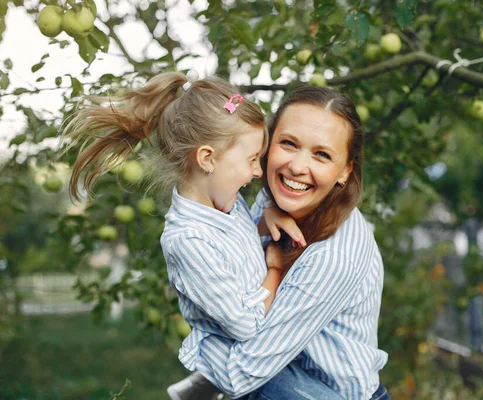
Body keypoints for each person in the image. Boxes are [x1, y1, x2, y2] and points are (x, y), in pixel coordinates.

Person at [62, 72, 346, 399]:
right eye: (252, 159)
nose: (258, 171)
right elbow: (246, 325)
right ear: (207, 159)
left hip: (264, 343)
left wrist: (263, 220)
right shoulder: (188, 241)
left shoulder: (224, 199)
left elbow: (235, 250)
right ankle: (204, 384)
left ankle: (196, 388)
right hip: (241, 360)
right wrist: (276, 268)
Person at [170, 85, 389, 400]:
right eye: (288, 143)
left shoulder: (334, 256)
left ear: (345, 171)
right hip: (279, 376)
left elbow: (239, 374)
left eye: (322, 154)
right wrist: (257, 225)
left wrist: (201, 328)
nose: (297, 167)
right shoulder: (273, 199)